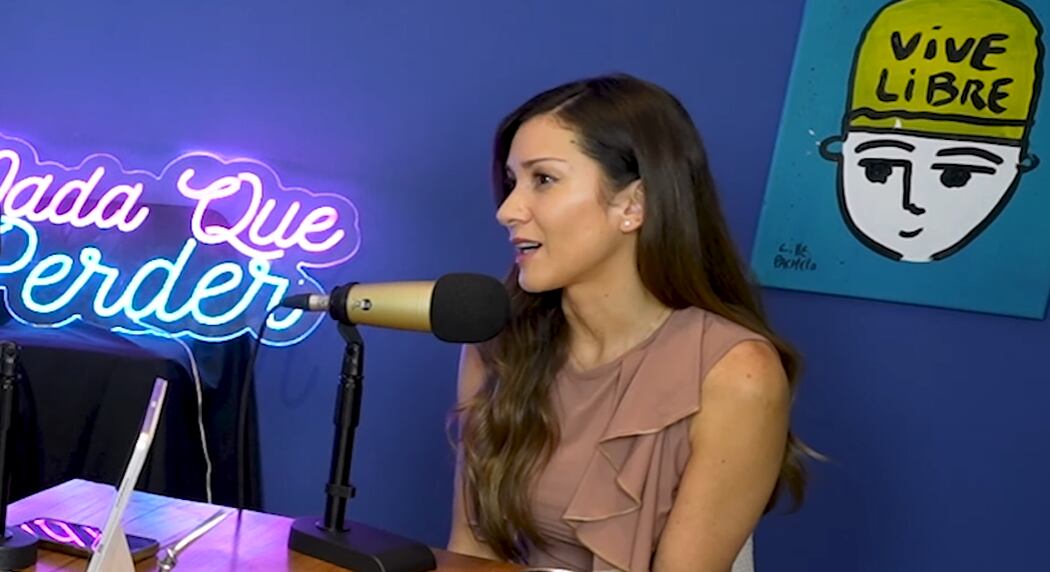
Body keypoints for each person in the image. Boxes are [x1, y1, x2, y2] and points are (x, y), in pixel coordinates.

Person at [448, 73, 810, 572]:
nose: (507, 211)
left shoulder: (737, 374)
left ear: (634, 205)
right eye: (512, 182)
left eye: (544, 179)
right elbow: (470, 551)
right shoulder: (497, 343)